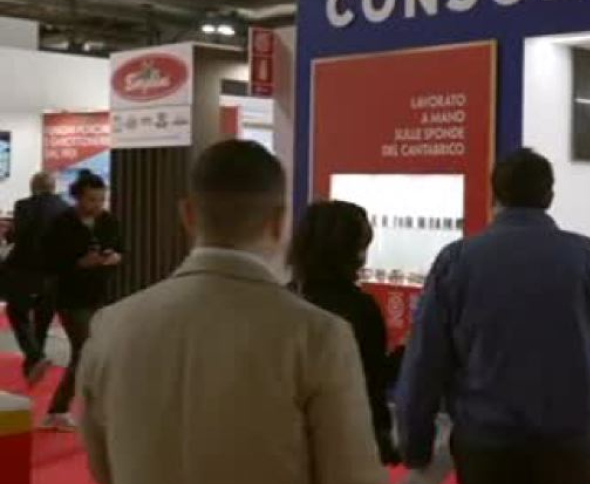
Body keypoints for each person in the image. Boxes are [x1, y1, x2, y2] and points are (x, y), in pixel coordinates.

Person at [77, 140, 386, 484]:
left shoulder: (111, 325)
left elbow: (102, 465)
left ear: (188, 214)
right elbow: (351, 473)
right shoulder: (318, 334)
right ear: (279, 221)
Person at [397, 148, 590, 484]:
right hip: (570, 440)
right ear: (549, 196)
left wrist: (416, 443)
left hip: (485, 442)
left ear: (495, 195)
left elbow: (426, 357)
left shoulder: (458, 260)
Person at [290, 201, 400, 465]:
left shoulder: (285, 297)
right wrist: (406, 354)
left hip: (291, 440)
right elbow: (372, 379)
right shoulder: (359, 308)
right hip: (347, 442)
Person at [41, 170, 121, 431]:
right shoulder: (62, 223)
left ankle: (89, 406)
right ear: (77, 198)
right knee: (85, 350)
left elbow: (121, 247)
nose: (97, 205)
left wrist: (114, 257)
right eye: (91, 200)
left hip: (100, 293)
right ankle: (58, 409)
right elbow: (49, 260)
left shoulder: (109, 220)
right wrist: (79, 263)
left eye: (101, 199)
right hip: (70, 296)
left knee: (98, 351)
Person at [2, 172, 68, 384]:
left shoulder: (23, 205)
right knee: (42, 319)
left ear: (33, 187)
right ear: (53, 187)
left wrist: (8, 233)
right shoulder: (65, 208)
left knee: (16, 312)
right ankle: (32, 367)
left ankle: (35, 357)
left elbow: (17, 235)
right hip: (54, 272)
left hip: (24, 269)